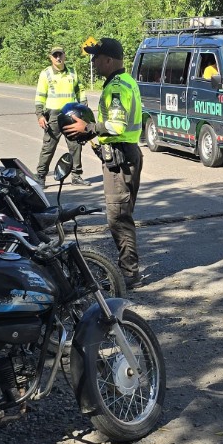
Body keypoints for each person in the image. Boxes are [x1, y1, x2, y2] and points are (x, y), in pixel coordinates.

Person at [60, 37, 144, 288]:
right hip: (125, 154)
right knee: (122, 213)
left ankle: (129, 274)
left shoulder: (116, 87)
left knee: (118, 217)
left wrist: (90, 127)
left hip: (120, 159)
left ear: (109, 60)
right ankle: (128, 269)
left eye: (96, 58)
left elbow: (116, 125)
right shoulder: (125, 81)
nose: (93, 62)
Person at [34, 47, 86, 186]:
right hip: (53, 115)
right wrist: (40, 115)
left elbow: (80, 91)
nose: (58, 58)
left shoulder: (72, 72)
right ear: (51, 57)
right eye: (55, 55)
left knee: (76, 145)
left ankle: (76, 176)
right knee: (48, 147)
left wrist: (84, 110)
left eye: (60, 55)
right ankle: (40, 177)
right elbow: (40, 96)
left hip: (71, 114)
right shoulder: (46, 74)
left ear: (64, 55)